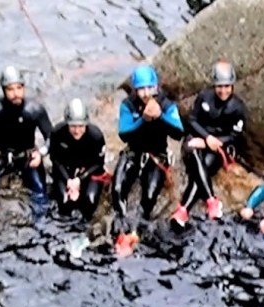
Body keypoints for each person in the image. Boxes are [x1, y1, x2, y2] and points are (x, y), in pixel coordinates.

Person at [111, 64, 184, 246]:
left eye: (149, 88)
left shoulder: (166, 105)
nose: (145, 94)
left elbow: (178, 132)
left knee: (149, 196)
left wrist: (160, 117)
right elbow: (124, 133)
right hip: (134, 151)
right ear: (135, 90)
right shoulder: (128, 105)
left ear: (156, 87)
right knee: (118, 190)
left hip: (156, 155)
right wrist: (143, 120)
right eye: (141, 89)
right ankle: (121, 227)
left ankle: (137, 232)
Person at [170, 60, 247, 229]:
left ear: (232, 86)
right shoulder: (205, 97)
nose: (223, 90)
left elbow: (235, 135)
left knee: (202, 169)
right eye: (220, 86)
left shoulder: (237, 107)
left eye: (227, 86)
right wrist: (206, 138)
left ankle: (183, 209)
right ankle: (211, 200)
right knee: (192, 151)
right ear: (214, 85)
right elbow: (192, 120)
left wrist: (210, 142)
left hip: (218, 145)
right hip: (198, 138)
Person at [0, 65, 53, 222]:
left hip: (26, 156)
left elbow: (52, 137)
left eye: (19, 88)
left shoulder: (34, 110)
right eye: (10, 89)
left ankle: (41, 223)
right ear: (4, 90)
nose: (15, 93)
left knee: (39, 192)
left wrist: (41, 153)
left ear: (24, 88)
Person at [49, 98, 107, 221]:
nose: (77, 131)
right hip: (66, 170)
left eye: (81, 126)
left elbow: (99, 164)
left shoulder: (96, 136)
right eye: (73, 126)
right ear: (67, 124)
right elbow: (55, 159)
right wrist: (68, 180)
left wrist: (80, 179)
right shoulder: (57, 133)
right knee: (64, 204)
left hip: (89, 170)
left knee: (89, 203)